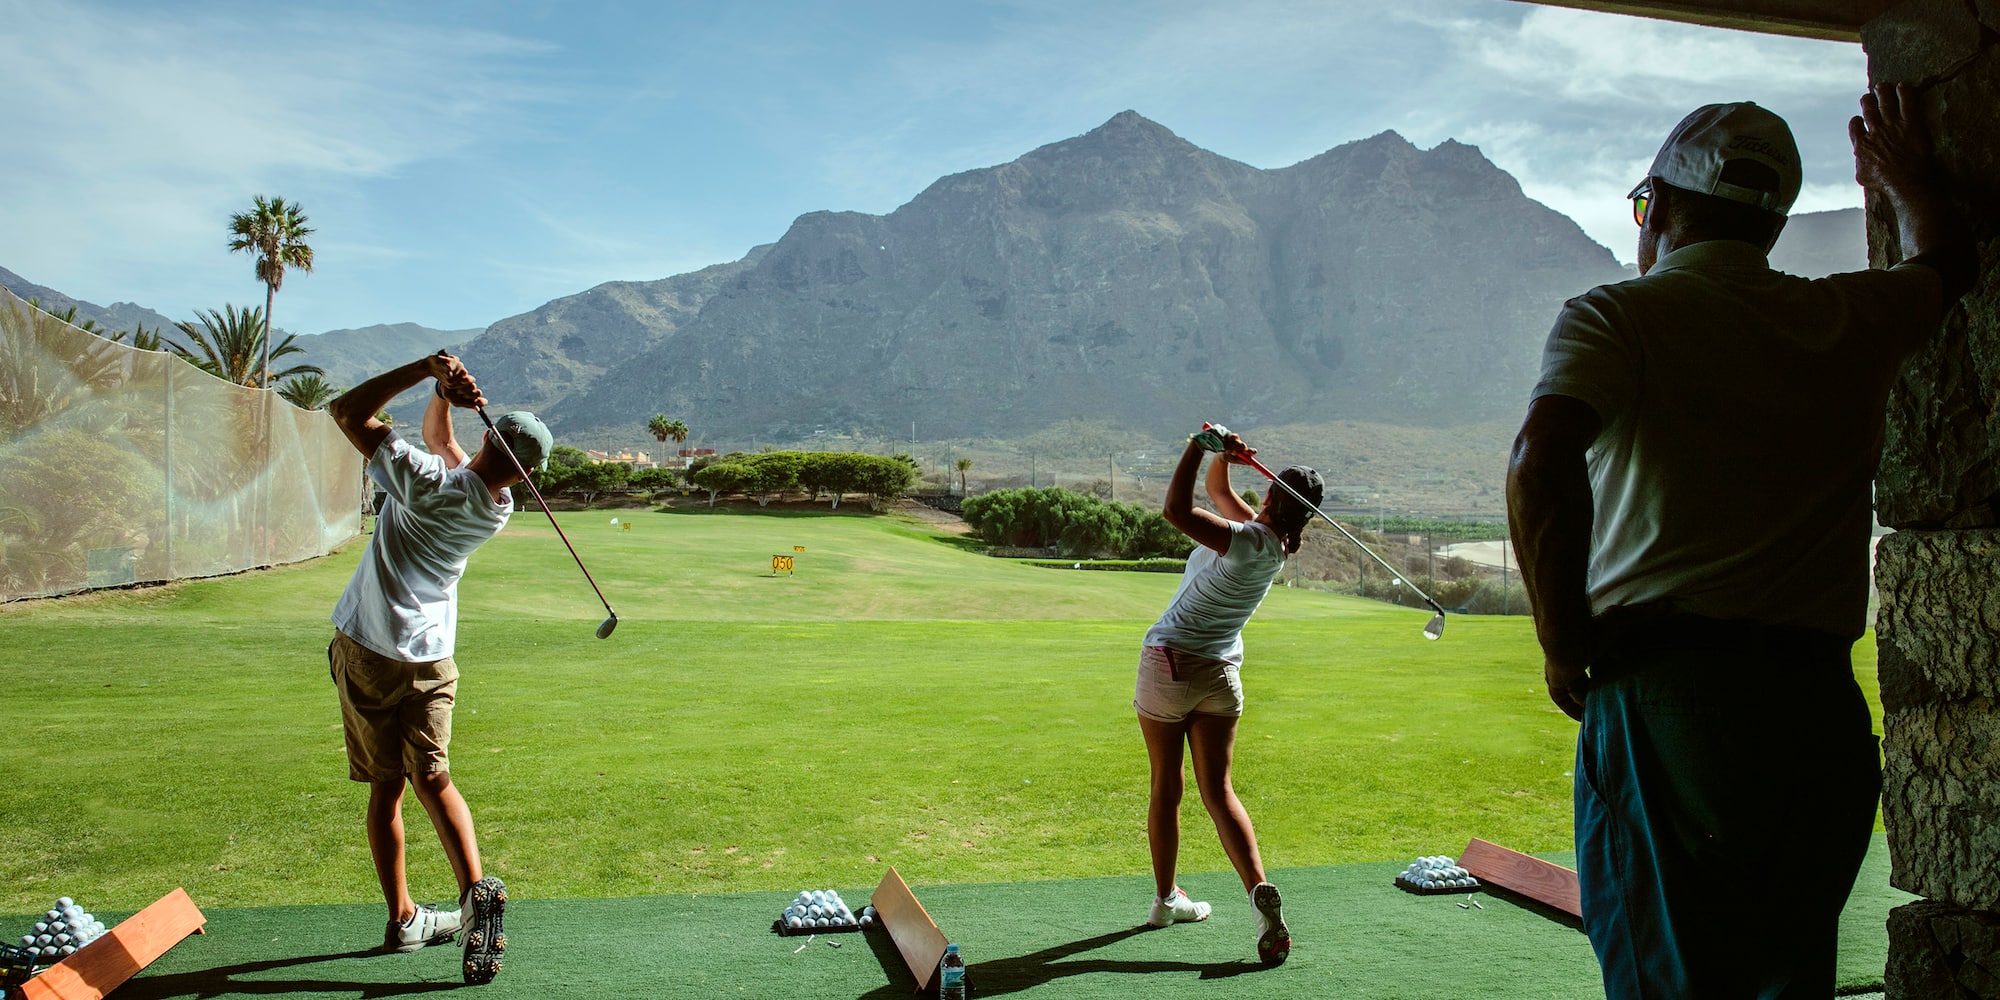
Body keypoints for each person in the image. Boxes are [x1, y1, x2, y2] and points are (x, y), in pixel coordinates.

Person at [1506, 83, 1974, 998]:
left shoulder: (1618, 316)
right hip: (1816, 709)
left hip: (1670, 696)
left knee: (1666, 976)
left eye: (1644, 205)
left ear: (1664, 207)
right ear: (1768, 226)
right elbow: (1950, 263)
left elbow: (1540, 458)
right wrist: (1911, 184)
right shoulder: (1848, 318)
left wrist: (1563, 647)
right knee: (1785, 976)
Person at [325, 352, 551, 985]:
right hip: (431, 660)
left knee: (385, 787)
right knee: (434, 777)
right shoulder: (497, 508)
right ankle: (474, 891)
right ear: (525, 472)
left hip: (370, 646)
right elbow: (442, 441)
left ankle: (402, 919)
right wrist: (444, 397)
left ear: (488, 437)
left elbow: (347, 412)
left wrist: (427, 370)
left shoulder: (420, 480)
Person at [1136, 423, 1320, 966]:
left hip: (1169, 665)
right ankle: (1259, 895)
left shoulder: (1246, 539)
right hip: (1221, 679)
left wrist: (1197, 445)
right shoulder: (1275, 544)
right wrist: (1224, 458)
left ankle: (1167, 899)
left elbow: (1177, 511)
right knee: (1219, 793)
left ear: (1270, 495)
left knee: (1166, 786)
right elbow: (1218, 495)